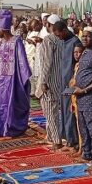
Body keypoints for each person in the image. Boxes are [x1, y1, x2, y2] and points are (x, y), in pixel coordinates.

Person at [0, 10, 32, 138]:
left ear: (3, 29)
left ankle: (12, 128)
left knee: (11, 105)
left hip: (13, 81)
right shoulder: (1, 42)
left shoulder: (17, 41)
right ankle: (0, 128)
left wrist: (23, 78)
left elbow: (22, 61)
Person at [53, 21, 83, 151]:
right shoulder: (62, 41)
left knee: (70, 110)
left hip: (71, 82)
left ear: (64, 30)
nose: (59, 37)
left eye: (59, 35)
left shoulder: (75, 42)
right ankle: (67, 138)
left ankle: (74, 141)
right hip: (62, 81)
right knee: (64, 110)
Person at [35, 18, 63, 148]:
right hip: (59, 80)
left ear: (49, 25)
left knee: (50, 112)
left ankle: (57, 140)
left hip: (49, 82)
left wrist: (43, 81)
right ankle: (51, 136)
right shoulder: (62, 39)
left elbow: (47, 62)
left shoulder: (49, 40)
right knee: (53, 111)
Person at [73, 29, 92, 166]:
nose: (84, 38)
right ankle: (86, 153)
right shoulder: (84, 52)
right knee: (83, 128)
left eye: (88, 36)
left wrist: (84, 90)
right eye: (83, 36)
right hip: (80, 98)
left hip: (89, 97)